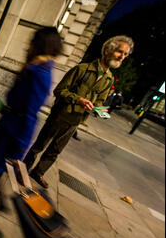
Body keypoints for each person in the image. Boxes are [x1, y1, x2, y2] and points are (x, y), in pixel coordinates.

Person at [0, 27, 63, 219]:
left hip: (13, 132)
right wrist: (2, 107)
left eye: (33, 41)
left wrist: (20, 150)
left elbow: (30, 114)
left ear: (41, 44)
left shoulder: (40, 73)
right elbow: (20, 100)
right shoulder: (34, 67)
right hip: (7, 124)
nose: (28, 45)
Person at [23, 35, 134, 188]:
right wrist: (78, 100)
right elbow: (59, 90)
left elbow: (99, 102)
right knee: (39, 145)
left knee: (55, 150)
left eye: (125, 55)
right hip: (60, 115)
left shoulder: (108, 79)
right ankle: (24, 169)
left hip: (76, 120)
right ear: (108, 50)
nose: (122, 57)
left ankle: (38, 172)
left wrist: (98, 110)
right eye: (119, 52)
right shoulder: (82, 69)